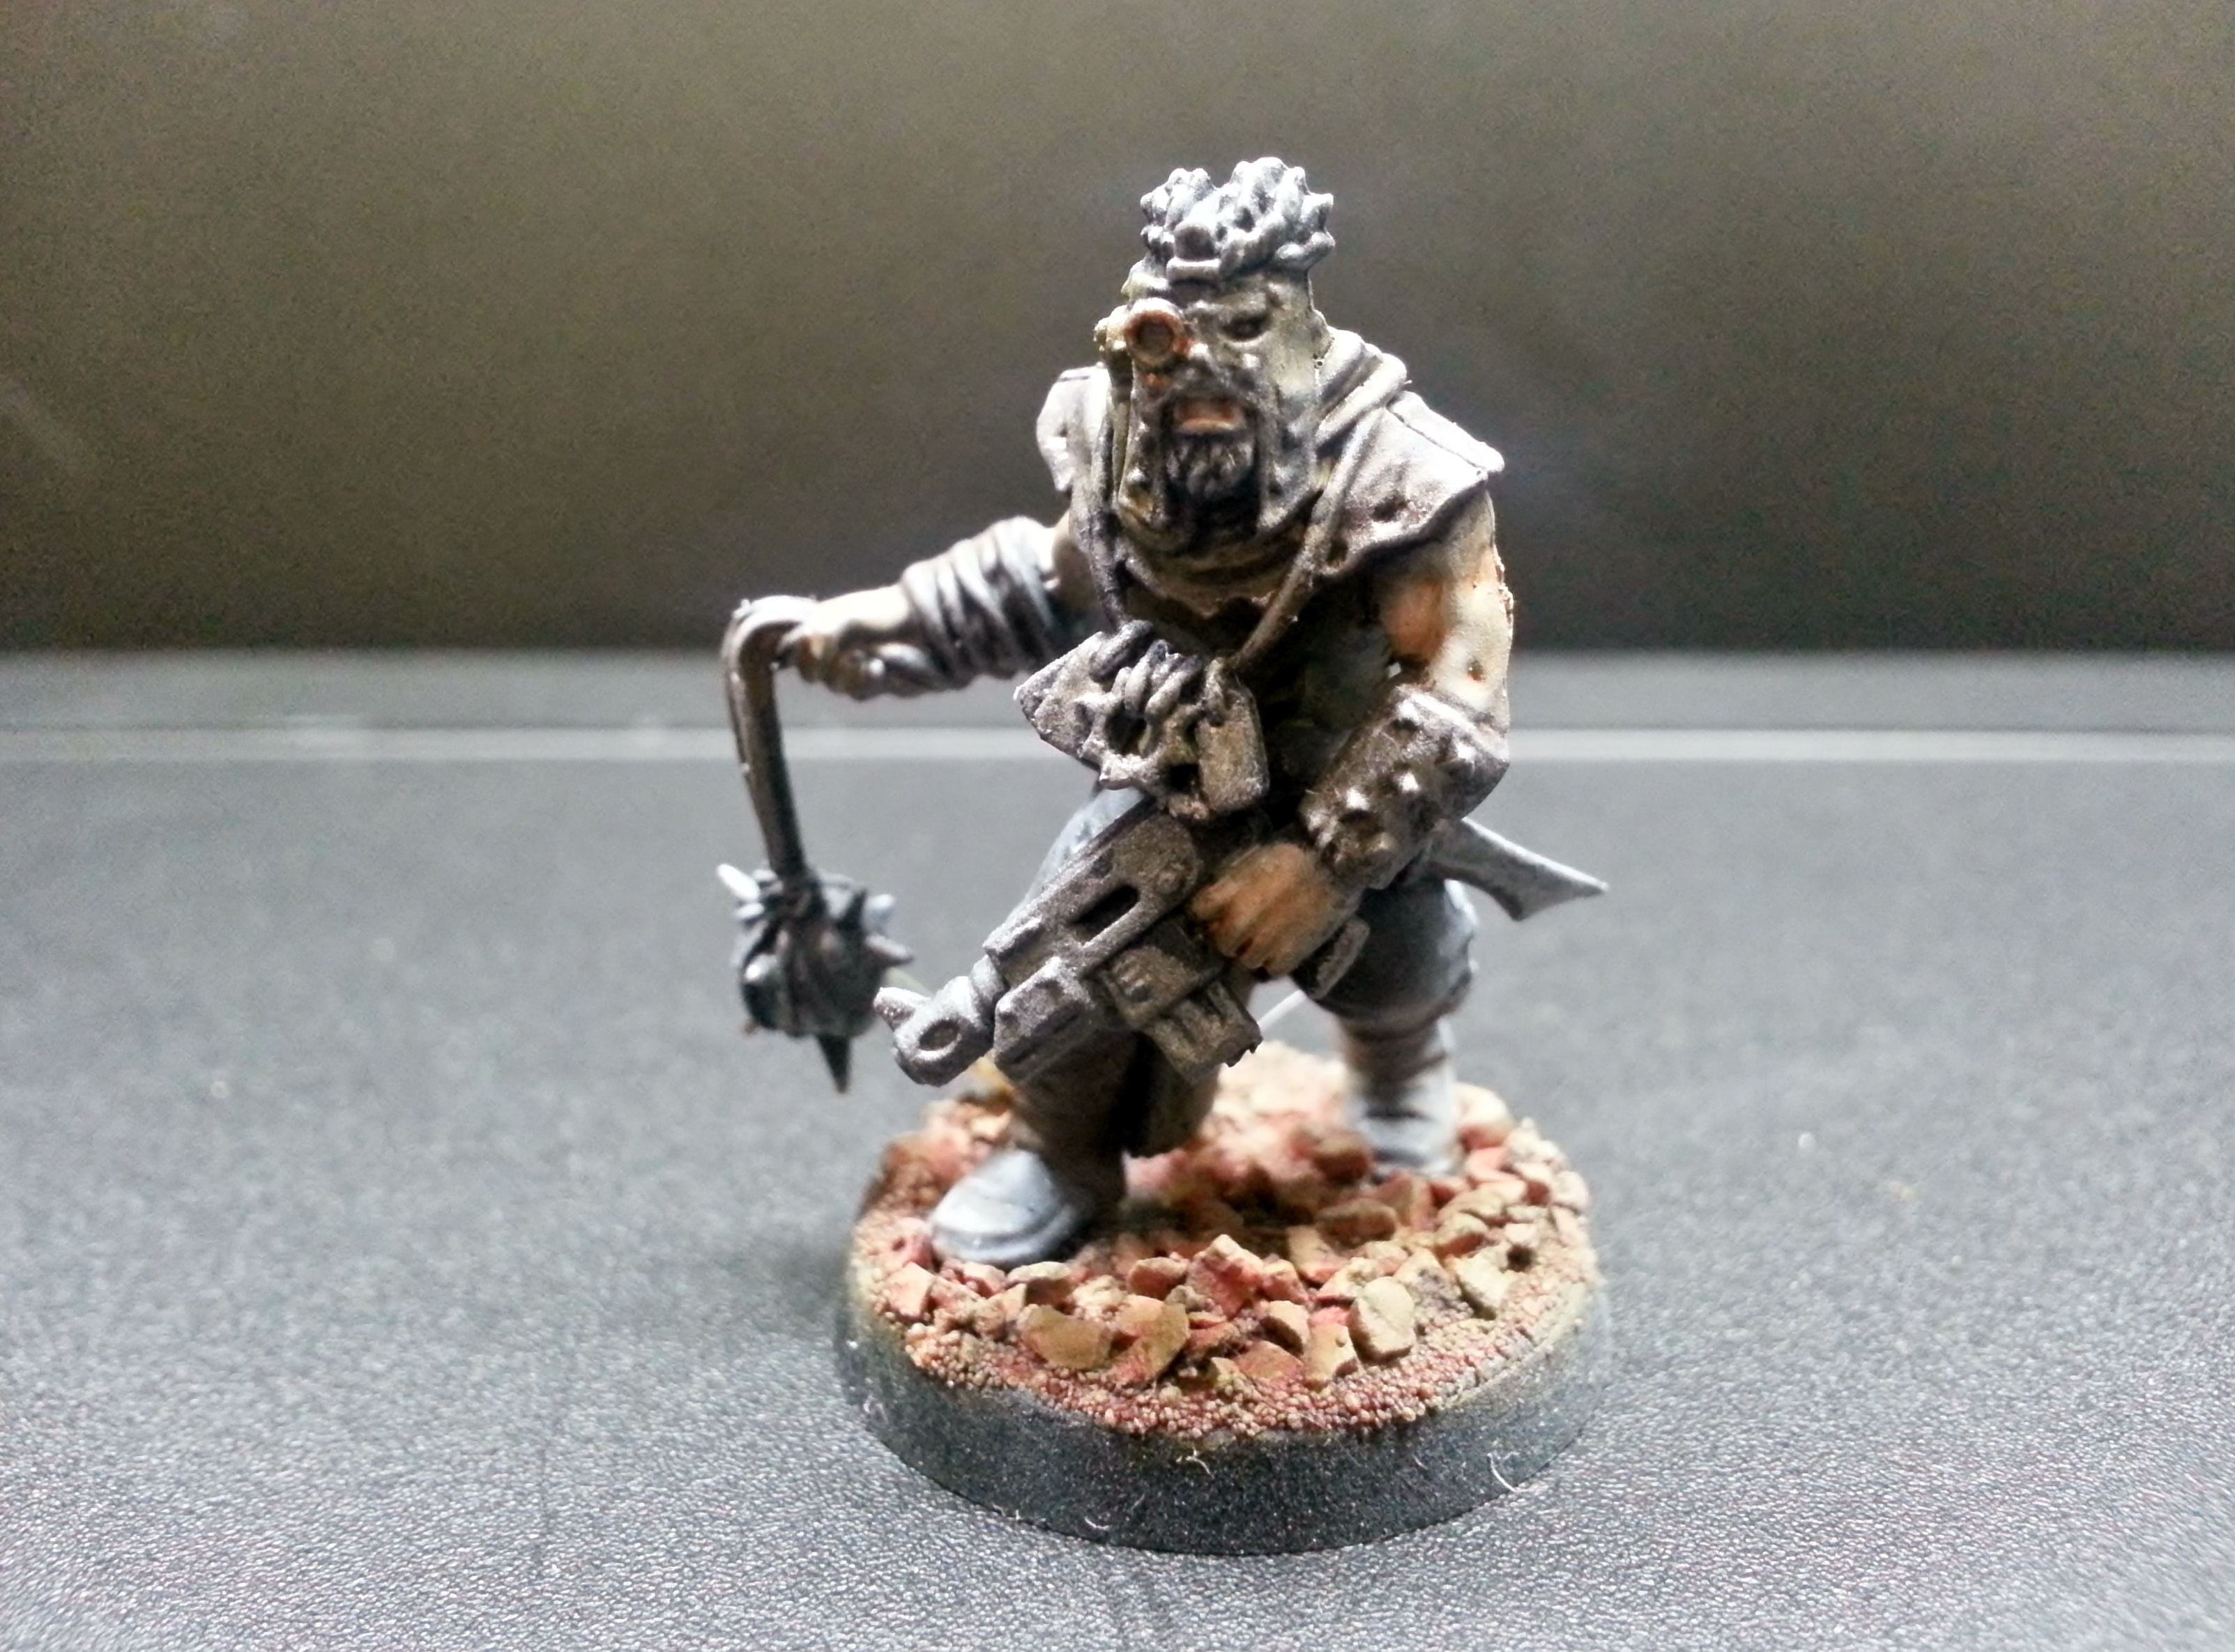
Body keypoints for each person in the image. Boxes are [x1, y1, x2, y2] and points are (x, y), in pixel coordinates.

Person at [779, 159, 1518, 1264]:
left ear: (1296, 328)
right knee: (1061, 973)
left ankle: (1402, 1072)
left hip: (1350, 796)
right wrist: (902, 619)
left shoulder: (1402, 473)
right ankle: (1059, 1152)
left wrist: (1321, 861)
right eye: (1171, 341)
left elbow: (1461, 683)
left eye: (1241, 330)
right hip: (1166, 793)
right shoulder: (1117, 434)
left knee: (1396, 962)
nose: (1198, 375)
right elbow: (1059, 578)